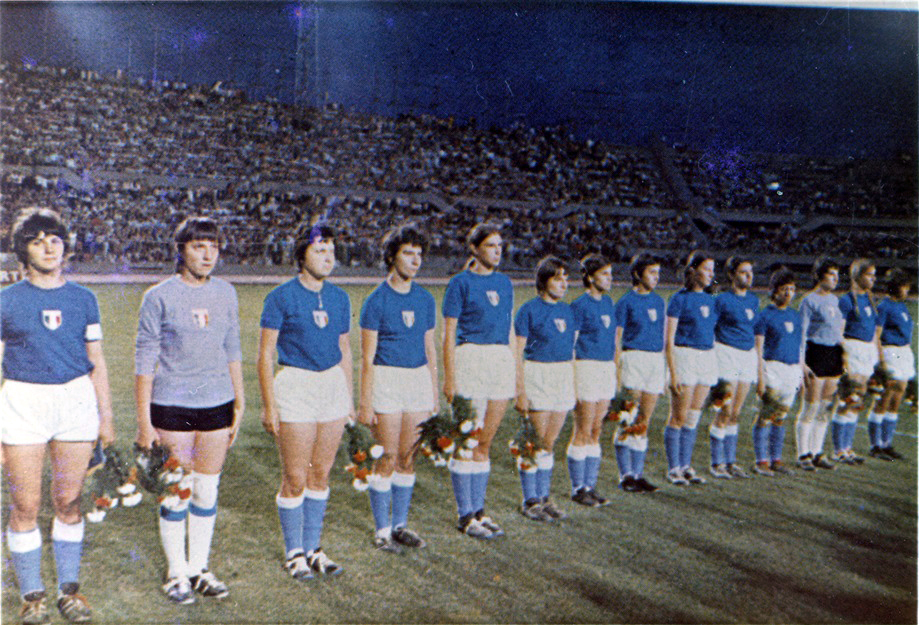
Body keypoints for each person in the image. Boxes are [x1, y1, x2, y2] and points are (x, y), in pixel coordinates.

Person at [2, 208, 114, 623]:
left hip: (75, 402)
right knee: (25, 504)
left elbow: (96, 361)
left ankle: (69, 592)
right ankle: (32, 597)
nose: (49, 246)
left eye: (55, 238)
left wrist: (106, 418)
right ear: (23, 250)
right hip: (23, 401)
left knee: (68, 501)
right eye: (37, 240)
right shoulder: (6, 300)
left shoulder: (84, 298)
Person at [135, 217, 244, 604]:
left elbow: (232, 348)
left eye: (213, 246)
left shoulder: (227, 293)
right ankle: (175, 572)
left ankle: (199, 568)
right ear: (181, 250)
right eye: (199, 246)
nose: (208, 253)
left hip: (215, 402)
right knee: (177, 490)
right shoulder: (159, 296)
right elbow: (145, 360)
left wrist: (239, 398)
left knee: (206, 488)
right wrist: (144, 421)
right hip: (172, 405)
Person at [257, 223, 353, 579]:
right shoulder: (280, 296)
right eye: (319, 250)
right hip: (295, 385)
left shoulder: (340, 298)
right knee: (295, 476)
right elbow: (266, 353)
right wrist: (270, 405)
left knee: (321, 474)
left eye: (331, 251)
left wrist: (349, 396)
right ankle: (294, 552)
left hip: (331, 387)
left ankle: (314, 548)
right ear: (301, 256)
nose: (328, 258)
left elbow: (344, 350)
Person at [358, 224, 437, 553]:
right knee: (387, 456)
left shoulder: (425, 298)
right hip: (387, 379)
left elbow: (430, 348)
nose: (416, 260)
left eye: (419, 254)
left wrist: (433, 393)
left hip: (417, 380)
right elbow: (367, 357)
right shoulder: (376, 300)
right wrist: (365, 401)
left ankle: (401, 524)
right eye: (408, 253)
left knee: (408, 456)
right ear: (392, 256)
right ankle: (382, 530)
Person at [442, 224, 514, 539]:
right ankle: (465, 514)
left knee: (484, 442)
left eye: (500, 245)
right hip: (471, 359)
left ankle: (480, 511)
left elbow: (509, 329)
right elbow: (449, 334)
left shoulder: (505, 283)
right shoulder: (460, 283)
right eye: (491, 245)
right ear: (475, 249)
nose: (497, 251)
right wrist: (450, 378)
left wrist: (515, 370)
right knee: (468, 440)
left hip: (500, 360)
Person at [513, 256, 576, 522]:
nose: (564, 283)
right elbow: (517, 352)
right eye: (557, 277)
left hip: (561, 375)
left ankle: (544, 497)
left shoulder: (567, 311)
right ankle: (530, 500)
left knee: (549, 442)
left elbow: (570, 350)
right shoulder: (529, 310)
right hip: (538, 373)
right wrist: (520, 390)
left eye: (565, 277)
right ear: (544, 281)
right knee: (535, 441)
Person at [612, 253, 665, 493]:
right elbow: (617, 338)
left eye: (657, 273)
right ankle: (625, 475)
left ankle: (638, 473)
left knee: (644, 420)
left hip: (654, 361)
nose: (656, 277)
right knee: (627, 418)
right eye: (652, 272)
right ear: (637, 274)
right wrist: (616, 370)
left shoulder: (659, 302)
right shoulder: (626, 302)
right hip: (633, 359)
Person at [664, 251, 718, 485]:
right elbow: (669, 339)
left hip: (706, 358)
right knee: (678, 416)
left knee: (693, 417)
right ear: (693, 270)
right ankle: (673, 468)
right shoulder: (679, 299)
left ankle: (686, 465)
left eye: (712, 270)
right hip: (685, 357)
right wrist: (673, 372)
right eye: (706, 269)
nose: (710, 274)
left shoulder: (711, 300)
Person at [567, 254, 616, 506]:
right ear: (590, 277)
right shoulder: (579, 305)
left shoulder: (608, 303)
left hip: (605, 369)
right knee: (583, 429)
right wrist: (573, 380)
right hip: (586, 367)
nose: (610, 278)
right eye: (605, 274)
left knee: (597, 429)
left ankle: (590, 485)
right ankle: (578, 489)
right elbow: (571, 345)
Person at [710, 256, 759, 479]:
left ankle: (730, 462)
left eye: (750, 271)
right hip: (726, 353)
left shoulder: (754, 300)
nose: (748, 276)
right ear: (731, 275)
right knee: (725, 410)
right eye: (742, 272)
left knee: (736, 413)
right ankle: (716, 462)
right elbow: (710, 328)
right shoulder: (721, 300)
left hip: (746, 356)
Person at [751, 268, 803, 476]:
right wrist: (761, 377)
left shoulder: (794, 315)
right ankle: (761, 460)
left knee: (781, 417)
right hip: (772, 368)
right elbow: (759, 349)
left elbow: (798, 345)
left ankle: (776, 459)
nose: (788, 293)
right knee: (765, 415)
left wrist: (800, 370)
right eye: (784, 289)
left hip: (791, 370)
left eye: (792, 289)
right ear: (773, 291)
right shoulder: (765, 316)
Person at [796, 257, 843, 470]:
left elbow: (838, 331)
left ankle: (817, 452)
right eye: (831, 274)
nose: (835, 279)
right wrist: (802, 363)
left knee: (826, 407)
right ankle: (803, 454)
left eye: (837, 275)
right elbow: (802, 333)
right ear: (819, 275)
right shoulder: (809, 301)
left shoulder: (835, 300)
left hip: (833, 354)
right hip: (815, 353)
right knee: (811, 406)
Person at [833, 258, 881, 464]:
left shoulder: (870, 300)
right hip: (852, 349)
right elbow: (839, 332)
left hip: (866, 351)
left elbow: (873, 332)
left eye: (874, 275)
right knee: (847, 399)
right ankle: (838, 449)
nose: (873, 279)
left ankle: (848, 447)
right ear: (857, 276)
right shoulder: (846, 300)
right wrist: (843, 356)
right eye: (869, 275)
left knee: (858, 400)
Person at [868, 268, 913, 460]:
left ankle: (887, 444)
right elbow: (876, 335)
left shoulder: (902, 306)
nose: (907, 290)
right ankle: (875, 445)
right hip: (889, 351)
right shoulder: (884, 306)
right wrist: (881, 361)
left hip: (903, 352)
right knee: (884, 397)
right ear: (895, 287)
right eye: (904, 286)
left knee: (897, 398)